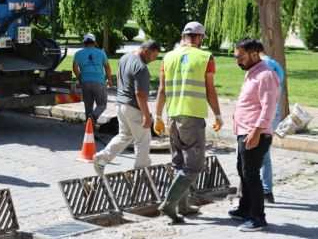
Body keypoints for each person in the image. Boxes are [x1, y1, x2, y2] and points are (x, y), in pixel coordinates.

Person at [154, 21, 223, 223]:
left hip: (173, 116)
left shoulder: (167, 57)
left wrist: (157, 117)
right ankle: (169, 203)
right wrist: (218, 115)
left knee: (179, 163)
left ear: (184, 35)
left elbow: (161, 90)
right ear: (200, 37)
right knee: (193, 166)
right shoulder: (205, 57)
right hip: (192, 117)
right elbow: (210, 90)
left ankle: (183, 206)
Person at [229, 38, 280, 232]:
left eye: (240, 57)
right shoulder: (253, 71)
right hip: (245, 131)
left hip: (254, 133)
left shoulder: (266, 74)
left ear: (254, 54)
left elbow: (269, 108)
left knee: (251, 175)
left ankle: (258, 217)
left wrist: (256, 131)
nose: (238, 61)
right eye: (236, 57)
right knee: (243, 172)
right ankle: (245, 209)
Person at [92, 40, 161, 176]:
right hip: (133, 107)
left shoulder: (125, 58)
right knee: (143, 139)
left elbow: (118, 76)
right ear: (146, 51)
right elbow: (140, 94)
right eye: (153, 56)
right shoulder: (140, 67)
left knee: (125, 135)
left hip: (120, 105)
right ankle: (142, 171)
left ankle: (102, 157)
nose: (153, 60)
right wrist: (147, 115)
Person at [255, 41, 284, 204]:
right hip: (275, 112)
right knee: (263, 152)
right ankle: (264, 189)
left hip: (264, 114)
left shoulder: (264, 66)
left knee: (261, 153)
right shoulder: (276, 65)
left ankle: (266, 190)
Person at [73, 33, 112, 124]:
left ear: (84, 42)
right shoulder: (101, 53)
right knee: (102, 105)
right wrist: (109, 79)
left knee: (88, 107)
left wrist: (80, 78)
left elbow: (75, 68)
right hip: (99, 82)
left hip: (85, 82)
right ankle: (94, 116)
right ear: (94, 42)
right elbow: (107, 67)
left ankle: (90, 132)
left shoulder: (78, 53)